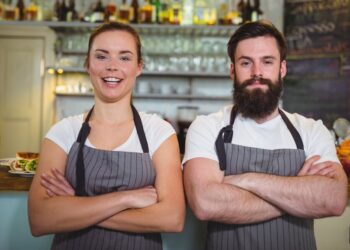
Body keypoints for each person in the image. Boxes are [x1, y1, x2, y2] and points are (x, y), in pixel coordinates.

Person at [183, 20, 348, 250]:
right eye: (245, 62)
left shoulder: (310, 130)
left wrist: (244, 180)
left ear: (282, 69)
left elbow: (335, 200)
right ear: (232, 70)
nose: (256, 72)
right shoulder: (207, 127)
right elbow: (205, 203)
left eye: (267, 61)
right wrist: (297, 191)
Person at [28, 22, 185, 250]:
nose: (112, 67)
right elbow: (40, 219)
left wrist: (77, 205)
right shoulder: (63, 132)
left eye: (124, 58)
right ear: (87, 64)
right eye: (102, 56)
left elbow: (172, 218)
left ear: (138, 67)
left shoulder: (159, 132)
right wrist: (126, 199)